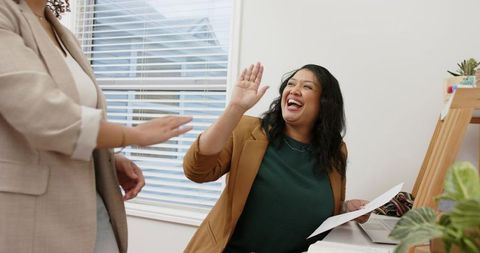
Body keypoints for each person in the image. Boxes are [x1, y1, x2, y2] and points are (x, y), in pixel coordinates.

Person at [0, 0, 192, 253]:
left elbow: (80, 116)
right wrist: (131, 135)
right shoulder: (6, 14)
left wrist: (107, 159)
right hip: (31, 213)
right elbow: (42, 112)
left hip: (90, 204)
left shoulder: (60, 31)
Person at [183, 62, 369, 253]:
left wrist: (346, 208)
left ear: (325, 103)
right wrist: (235, 108)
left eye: (307, 87)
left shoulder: (335, 151)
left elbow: (315, 207)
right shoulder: (248, 131)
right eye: (291, 84)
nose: (294, 90)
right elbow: (196, 171)